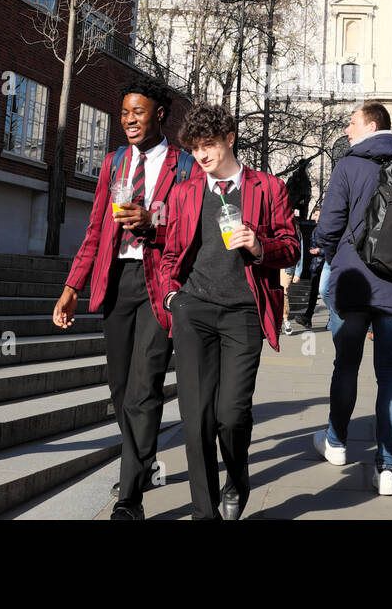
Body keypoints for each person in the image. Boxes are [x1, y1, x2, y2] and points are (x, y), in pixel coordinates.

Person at [53, 76, 200, 520]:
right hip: (116, 280)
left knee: (143, 386)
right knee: (119, 386)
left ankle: (129, 498)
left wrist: (153, 222)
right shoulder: (114, 162)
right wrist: (72, 287)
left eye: (137, 112)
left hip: (161, 282)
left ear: (159, 114)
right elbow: (96, 227)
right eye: (123, 114)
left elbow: (190, 227)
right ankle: (142, 458)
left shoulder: (186, 165)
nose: (128, 121)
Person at [161, 104, 298, 520]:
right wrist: (172, 297)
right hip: (194, 310)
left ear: (229, 139)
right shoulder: (185, 191)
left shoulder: (268, 187)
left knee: (232, 415)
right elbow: (170, 251)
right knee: (197, 418)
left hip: (244, 313)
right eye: (196, 148)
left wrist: (260, 247)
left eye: (209, 146)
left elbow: (291, 246)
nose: (201, 156)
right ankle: (206, 512)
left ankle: (237, 479)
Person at [311, 100, 392, 496]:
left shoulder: (349, 165)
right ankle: (388, 468)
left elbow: (328, 226)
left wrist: (328, 249)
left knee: (346, 366)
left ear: (372, 125)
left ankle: (336, 443)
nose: (348, 129)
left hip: (354, 283)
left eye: (353, 123)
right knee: (390, 373)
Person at [294, 208, 325, 329]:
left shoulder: (327, 229)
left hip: (325, 264)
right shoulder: (316, 229)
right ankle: (308, 317)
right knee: (313, 292)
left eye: (317, 215)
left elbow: (333, 246)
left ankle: (333, 318)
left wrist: (319, 250)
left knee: (324, 291)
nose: (315, 217)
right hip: (316, 264)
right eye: (314, 214)